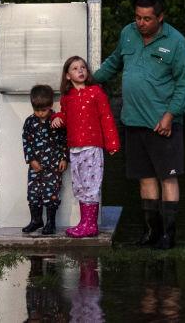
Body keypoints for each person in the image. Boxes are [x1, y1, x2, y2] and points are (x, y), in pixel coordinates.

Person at [93, 0, 185, 249]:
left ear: (160, 17)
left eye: (147, 19)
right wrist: (88, 80)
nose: (141, 23)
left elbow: (184, 83)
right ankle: (151, 233)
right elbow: (115, 61)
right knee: (145, 178)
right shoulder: (128, 33)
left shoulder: (176, 42)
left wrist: (170, 115)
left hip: (162, 123)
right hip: (133, 121)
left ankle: (169, 235)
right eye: (138, 17)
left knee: (167, 178)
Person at [50, 55, 120, 238]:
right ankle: (84, 223)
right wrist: (57, 117)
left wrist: (112, 142)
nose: (80, 70)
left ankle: (91, 225)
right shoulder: (68, 98)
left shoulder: (96, 92)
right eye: (75, 68)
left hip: (92, 147)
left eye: (83, 67)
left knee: (91, 185)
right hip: (75, 148)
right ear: (67, 76)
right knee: (80, 185)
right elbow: (66, 115)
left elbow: (106, 118)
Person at [21, 84, 68, 235]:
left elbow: (65, 140)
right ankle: (36, 220)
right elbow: (26, 142)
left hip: (53, 166)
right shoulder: (29, 122)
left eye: (44, 110)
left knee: (51, 194)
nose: (40, 113)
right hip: (35, 166)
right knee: (33, 193)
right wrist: (31, 159)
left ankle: (50, 223)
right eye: (37, 110)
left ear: (50, 106)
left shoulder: (57, 121)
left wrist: (64, 158)